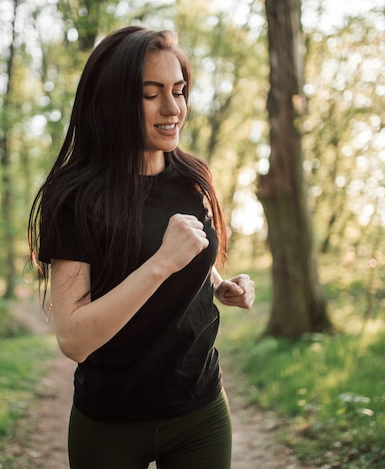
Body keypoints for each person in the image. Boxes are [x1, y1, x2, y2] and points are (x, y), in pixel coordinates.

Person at [28, 25, 255, 469]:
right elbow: (74, 338)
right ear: (114, 102)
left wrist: (220, 283)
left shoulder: (193, 178)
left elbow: (187, 250)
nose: (173, 108)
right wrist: (162, 264)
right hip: (110, 422)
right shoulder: (76, 199)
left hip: (200, 411)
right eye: (151, 94)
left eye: (179, 90)